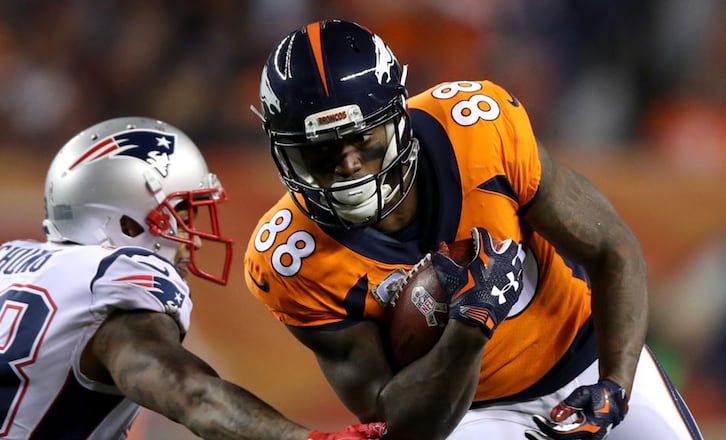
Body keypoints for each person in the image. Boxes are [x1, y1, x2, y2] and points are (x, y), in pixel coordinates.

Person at [244, 19, 703, 440]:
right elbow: (396, 424)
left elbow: (612, 249)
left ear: (397, 117)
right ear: (285, 154)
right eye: (320, 152)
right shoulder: (290, 257)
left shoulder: (478, 130)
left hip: (581, 350)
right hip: (472, 412)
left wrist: (614, 384)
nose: (349, 166)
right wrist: (470, 327)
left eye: (364, 138)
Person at [0, 116, 387, 440]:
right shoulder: (117, 279)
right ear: (128, 226)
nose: (194, 238)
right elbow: (190, 393)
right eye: (184, 214)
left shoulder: (5, 266)